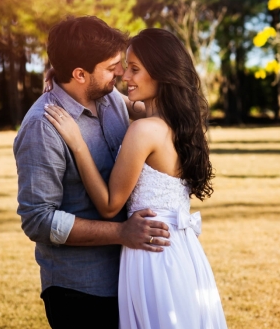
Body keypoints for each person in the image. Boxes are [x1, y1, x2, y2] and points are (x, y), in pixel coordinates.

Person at [44, 28, 227, 329]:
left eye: (134, 69)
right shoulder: (178, 123)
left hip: (152, 257)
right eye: (124, 67)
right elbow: (111, 94)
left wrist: (77, 143)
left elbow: (108, 205)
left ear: (161, 73)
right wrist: (67, 73)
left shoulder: (144, 131)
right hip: (182, 252)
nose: (124, 77)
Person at [14, 16, 171, 329]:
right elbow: (38, 220)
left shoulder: (111, 97)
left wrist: (58, 72)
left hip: (132, 277)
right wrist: (121, 232)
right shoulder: (42, 128)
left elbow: (160, 106)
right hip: (81, 291)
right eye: (112, 65)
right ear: (80, 74)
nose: (121, 72)